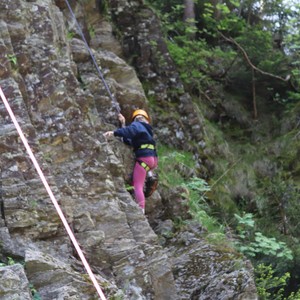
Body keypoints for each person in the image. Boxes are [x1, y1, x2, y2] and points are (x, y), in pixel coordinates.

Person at [103, 109, 158, 214]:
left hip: (144, 158)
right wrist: (123, 123)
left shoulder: (137, 125)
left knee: (137, 185)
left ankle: (141, 210)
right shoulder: (147, 130)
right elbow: (128, 139)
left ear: (135, 119)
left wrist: (113, 133)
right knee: (143, 174)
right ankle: (150, 175)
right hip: (153, 159)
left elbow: (129, 131)